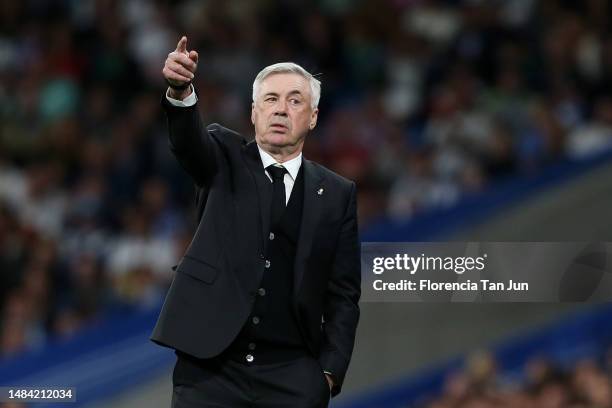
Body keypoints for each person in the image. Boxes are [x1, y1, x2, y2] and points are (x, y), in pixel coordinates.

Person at [151, 36, 361, 408]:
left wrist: (329, 373)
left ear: (312, 117)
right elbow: (188, 142)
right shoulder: (222, 156)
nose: (281, 109)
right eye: (271, 99)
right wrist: (181, 90)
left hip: (293, 376)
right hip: (210, 370)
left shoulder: (338, 193)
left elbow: (343, 294)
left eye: (295, 101)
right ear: (253, 112)